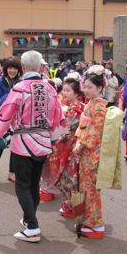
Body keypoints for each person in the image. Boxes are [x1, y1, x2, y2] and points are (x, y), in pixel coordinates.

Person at [0, 50, 62, 243]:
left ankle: (33, 225)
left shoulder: (20, 88)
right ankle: (29, 220)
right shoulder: (50, 89)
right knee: (33, 185)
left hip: (23, 142)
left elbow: (6, 113)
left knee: (22, 185)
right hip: (43, 142)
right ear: (40, 67)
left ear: (24, 67)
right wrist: (53, 139)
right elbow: (56, 116)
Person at [73, 65, 109, 239]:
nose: (86, 90)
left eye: (90, 87)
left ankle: (95, 223)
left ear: (100, 88)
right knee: (85, 186)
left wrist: (81, 145)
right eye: (85, 86)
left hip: (92, 152)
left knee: (92, 188)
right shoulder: (91, 104)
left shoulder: (100, 107)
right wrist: (78, 141)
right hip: (86, 151)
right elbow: (83, 127)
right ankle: (87, 219)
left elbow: (95, 131)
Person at [0, 56, 22, 184]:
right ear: (6, 69)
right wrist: (12, 92)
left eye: (15, 68)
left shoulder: (21, 81)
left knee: (14, 147)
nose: (12, 71)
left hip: (16, 118)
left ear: (19, 70)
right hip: (2, 116)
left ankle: (12, 173)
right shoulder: (1, 81)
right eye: (10, 68)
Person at [56, 71, 85, 218]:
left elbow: (66, 128)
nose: (65, 93)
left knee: (70, 176)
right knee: (71, 176)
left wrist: (59, 137)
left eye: (68, 90)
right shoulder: (75, 106)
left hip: (72, 145)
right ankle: (72, 205)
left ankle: (70, 206)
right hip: (72, 144)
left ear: (76, 92)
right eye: (64, 90)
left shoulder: (76, 108)